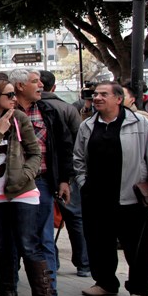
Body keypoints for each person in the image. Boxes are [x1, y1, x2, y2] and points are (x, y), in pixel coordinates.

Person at [73, 81, 148, 296]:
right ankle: (105, 283)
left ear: (119, 99)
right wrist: (83, 184)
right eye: (96, 94)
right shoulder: (88, 125)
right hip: (96, 197)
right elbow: (79, 159)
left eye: (104, 94)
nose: (97, 98)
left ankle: (139, 289)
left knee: (137, 247)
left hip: (130, 196)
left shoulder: (139, 123)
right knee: (99, 242)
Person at [0, 78, 53, 296]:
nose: (13, 99)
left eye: (14, 95)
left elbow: (35, 152)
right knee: (0, 245)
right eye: (8, 95)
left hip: (21, 190)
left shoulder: (20, 118)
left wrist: (25, 175)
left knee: (28, 244)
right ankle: (5, 295)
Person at [6, 69, 72, 296]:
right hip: (8, 184)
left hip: (41, 181)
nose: (41, 85)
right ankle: (7, 288)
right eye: (35, 82)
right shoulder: (4, 111)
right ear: (20, 86)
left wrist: (64, 179)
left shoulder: (49, 112)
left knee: (43, 237)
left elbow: (64, 146)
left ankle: (47, 291)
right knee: (9, 238)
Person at [39, 70, 90, 277]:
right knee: (74, 216)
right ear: (54, 87)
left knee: (44, 218)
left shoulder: (33, 108)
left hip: (42, 171)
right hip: (66, 170)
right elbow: (79, 141)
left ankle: (53, 261)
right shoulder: (68, 109)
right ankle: (83, 264)